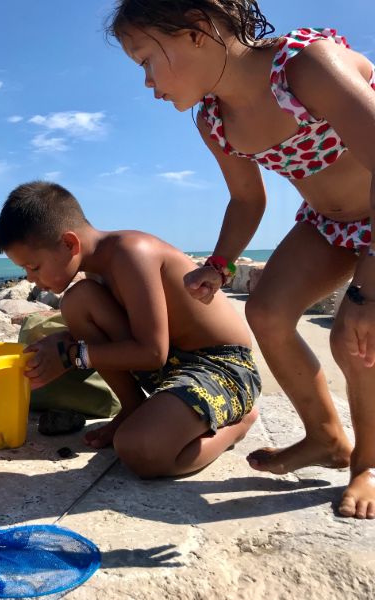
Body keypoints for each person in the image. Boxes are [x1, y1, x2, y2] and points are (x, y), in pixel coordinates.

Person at [107, 0, 375, 518]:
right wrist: (220, 263)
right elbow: (248, 199)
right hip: (326, 222)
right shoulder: (215, 120)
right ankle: (326, 438)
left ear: (197, 30)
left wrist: (366, 290)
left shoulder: (305, 66)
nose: (146, 82)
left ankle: (367, 462)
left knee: (355, 334)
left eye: (145, 60)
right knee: (268, 314)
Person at [0, 181, 261, 478]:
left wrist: (71, 356)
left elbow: (152, 353)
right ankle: (132, 407)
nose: (31, 279)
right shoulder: (96, 268)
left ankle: (240, 424)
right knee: (78, 301)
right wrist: (65, 341)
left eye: (34, 266)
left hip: (222, 368)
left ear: (70, 244)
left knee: (140, 450)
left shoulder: (132, 253)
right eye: (25, 271)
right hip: (173, 367)